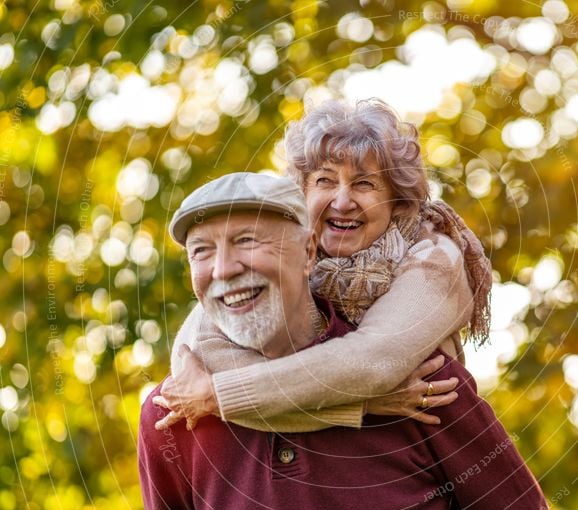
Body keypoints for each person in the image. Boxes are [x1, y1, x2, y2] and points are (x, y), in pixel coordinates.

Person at [138, 173, 554, 510]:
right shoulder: (173, 414)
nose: (223, 269)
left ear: (307, 252)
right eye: (201, 252)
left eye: (246, 242)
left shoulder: (425, 384)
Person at [154, 99, 492, 432]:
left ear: (398, 200)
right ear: (301, 193)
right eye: (325, 181)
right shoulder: (285, 254)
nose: (342, 202)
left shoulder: (435, 256)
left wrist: (218, 395)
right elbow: (200, 354)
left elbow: (373, 362)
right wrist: (361, 405)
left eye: (364, 183)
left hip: (426, 447)